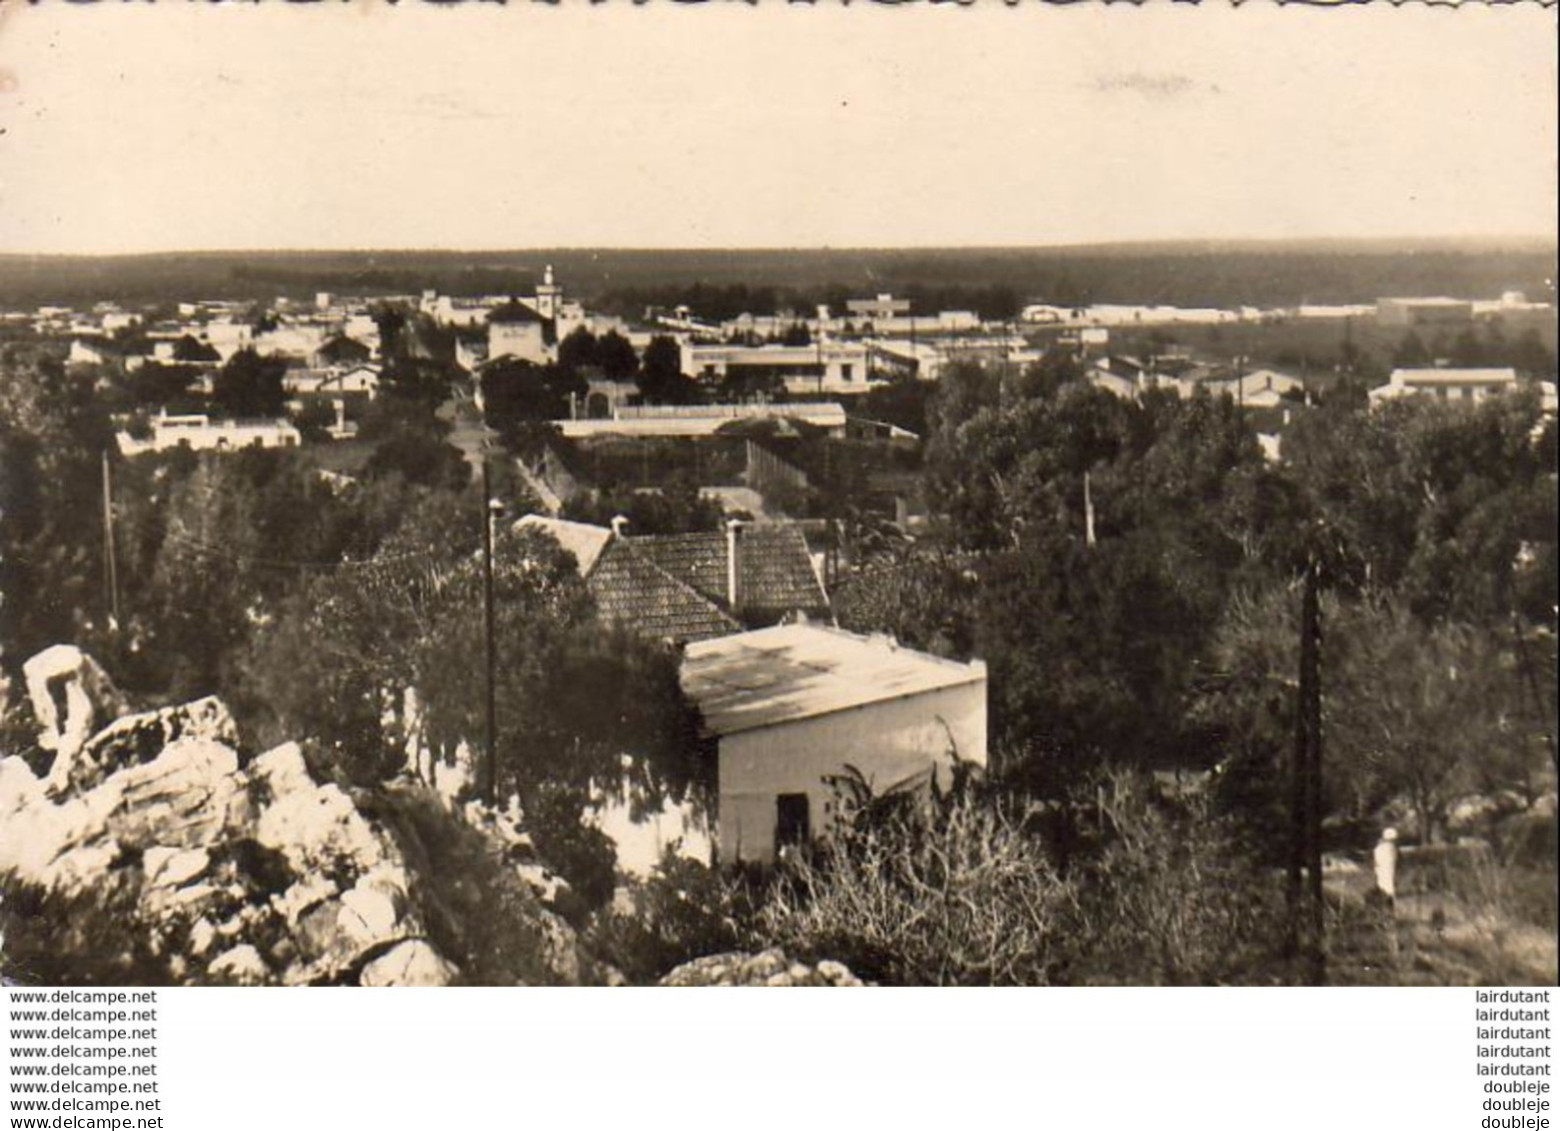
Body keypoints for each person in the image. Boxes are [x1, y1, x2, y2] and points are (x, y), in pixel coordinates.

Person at [1372, 827, 1399, 904]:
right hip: (1385, 868)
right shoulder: (1388, 848)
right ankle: (1387, 898)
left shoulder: (1381, 847)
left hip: (1384, 868)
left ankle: (1386, 897)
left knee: (1385, 881)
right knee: (1387, 882)